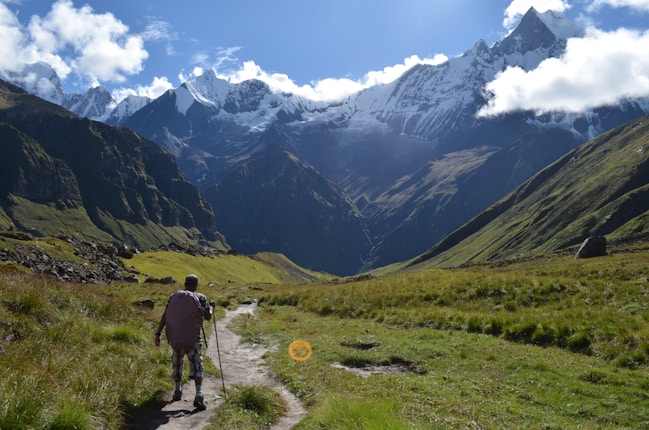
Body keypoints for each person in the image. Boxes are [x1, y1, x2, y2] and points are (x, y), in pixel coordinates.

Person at [155, 274, 215, 410]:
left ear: (185, 283)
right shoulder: (201, 297)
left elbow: (166, 314)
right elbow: (208, 317)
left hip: (176, 338)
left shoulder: (173, 296)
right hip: (194, 339)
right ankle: (199, 394)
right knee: (197, 365)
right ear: (196, 285)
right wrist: (211, 307)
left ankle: (177, 391)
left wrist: (158, 333)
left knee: (177, 363)